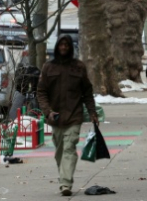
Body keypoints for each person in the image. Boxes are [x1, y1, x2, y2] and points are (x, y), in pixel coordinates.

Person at [37, 35, 98, 197]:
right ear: (57, 47)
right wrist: (48, 111)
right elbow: (41, 92)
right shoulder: (48, 67)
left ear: (71, 48)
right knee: (60, 151)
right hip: (55, 117)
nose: (64, 47)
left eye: (67, 45)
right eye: (61, 45)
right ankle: (64, 175)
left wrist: (92, 112)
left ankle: (66, 183)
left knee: (69, 148)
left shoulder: (78, 67)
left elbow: (87, 92)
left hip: (74, 116)